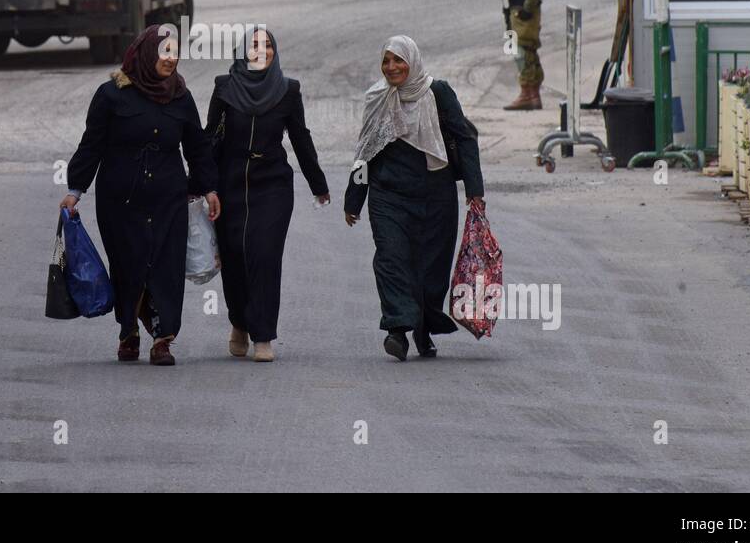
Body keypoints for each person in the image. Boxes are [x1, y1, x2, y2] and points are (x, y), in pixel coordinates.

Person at [61, 25, 220, 366]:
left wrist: (208, 188)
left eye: (176, 51)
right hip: (120, 199)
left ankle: (162, 340)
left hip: (169, 197)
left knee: (166, 266)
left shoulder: (180, 95)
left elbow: (197, 146)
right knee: (129, 265)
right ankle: (128, 330)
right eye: (165, 51)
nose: (172, 58)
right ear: (147, 53)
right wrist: (75, 190)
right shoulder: (111, 95)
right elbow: (91, 145)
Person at [343, 36, 484, 361]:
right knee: (391, 259)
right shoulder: (377, 97)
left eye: (399, 60)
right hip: (388, 196)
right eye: (386, 61)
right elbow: (365, 151)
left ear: (413, 61)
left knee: (431, 269)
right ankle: (397, 329)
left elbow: (464, 139)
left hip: (436, 197)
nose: (392, 67)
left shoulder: (439, 93)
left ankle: (422, 326)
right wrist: (354, 199)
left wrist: (475, 191)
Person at [205, 28, 329, 363]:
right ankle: (239, 323)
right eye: (255, 45)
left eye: (269, 45)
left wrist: (319, 184)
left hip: (272, 183)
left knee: (264, 254)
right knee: (234, 257)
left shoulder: (288, 90)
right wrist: (205, 185)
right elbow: (209, 139)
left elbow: (301, 138)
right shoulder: (225, 87)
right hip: (231, 182)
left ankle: (262, 335)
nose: (263, 50)